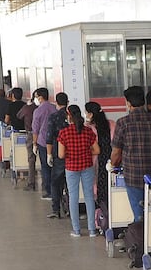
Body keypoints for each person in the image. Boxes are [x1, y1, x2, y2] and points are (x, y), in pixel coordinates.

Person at [110, 86, 151, 222]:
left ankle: (139, 240)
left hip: (133, 176)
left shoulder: (123, 123)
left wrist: (112, 165)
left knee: (139, 215)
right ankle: (150, 240)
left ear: (128, 103)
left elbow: (116, 152)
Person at [58, 105, 100, 238]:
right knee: (89, 197)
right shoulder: (88, 131)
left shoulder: (64, 133)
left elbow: (60, 155)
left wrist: (72, 153)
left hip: (71, 168)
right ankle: (92, 230)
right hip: (87, 166)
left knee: (73, 197)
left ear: (69, 115)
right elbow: (97, 150)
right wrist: (87, 152)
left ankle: (76, 230)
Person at [45, 92, 69, 219]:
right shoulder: (72, 116)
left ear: (56, 102)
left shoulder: (53, 117)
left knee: (55, 182)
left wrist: (49, 154)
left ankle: (56, 209)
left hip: (58, 153)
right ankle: (70, 208)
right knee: (70, 182)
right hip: (72, 154)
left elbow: (49, 137)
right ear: (67, 102)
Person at [85, 101, 111, 210]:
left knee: (97, 187)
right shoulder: (111, 124)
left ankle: (100, 215)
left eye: (86, 113)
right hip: (111, 161)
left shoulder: (88, 128)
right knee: (110, 186)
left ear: (90, 114)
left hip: (97, 162)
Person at [31, 87, 57, 200]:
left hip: (42, 142)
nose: (36, 99)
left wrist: (34, 144)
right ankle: (56, 191)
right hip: (55, 142)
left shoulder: (38, 111)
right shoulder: (54, 108)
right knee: (55, 167)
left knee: (45, 168)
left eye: (36, 97)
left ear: (40, 98)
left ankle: (49, 192)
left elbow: (35, 130)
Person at [15, 92, 38, 190]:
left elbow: (18, 116)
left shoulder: (27, 108)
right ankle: (46, 186)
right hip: (43, 135)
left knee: (31, 159)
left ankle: (31, 183)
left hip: (30, 134)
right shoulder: (43, 108)